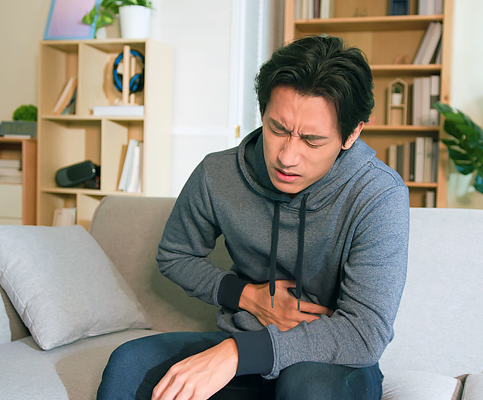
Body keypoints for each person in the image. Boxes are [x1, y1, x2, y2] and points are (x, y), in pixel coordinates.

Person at [97, 34, 410, 400]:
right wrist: (244, 296)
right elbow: (175, 254)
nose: (287, 156)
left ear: (352, 133)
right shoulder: (218, 174)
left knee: (308, 388)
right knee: (129, 363)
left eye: (311, 140)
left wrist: (237, 354)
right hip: (243, 342)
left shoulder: (378, 193)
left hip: (329, 363)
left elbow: (365, 332)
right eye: (277, 129)